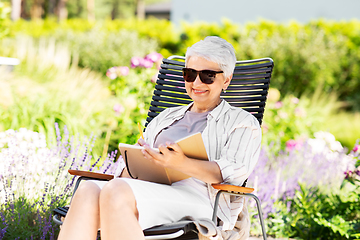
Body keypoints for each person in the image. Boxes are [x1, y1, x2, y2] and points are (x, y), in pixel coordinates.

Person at [57, 36, 261, 240]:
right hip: (153, 189)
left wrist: (181, 163)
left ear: (226, 79)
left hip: (202, 199)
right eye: (190, 74)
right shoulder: (166, 117)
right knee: (88, 189)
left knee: (117, 190)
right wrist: (139, 159)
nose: (196, 83)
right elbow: (129, 177)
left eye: (207, 75)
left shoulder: (242, 123)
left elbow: (231, 174)